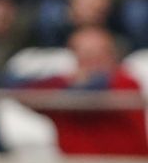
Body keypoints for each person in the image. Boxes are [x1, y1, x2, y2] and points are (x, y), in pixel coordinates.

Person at [18, 26, 148, 156]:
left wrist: (68, 86)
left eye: (100, 53)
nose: (93, 61)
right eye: (86, 54)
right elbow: (19, 90)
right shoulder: (63, 85)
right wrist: (66, 83)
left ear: (112, 55)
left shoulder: (125, 82)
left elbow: (95, 88)